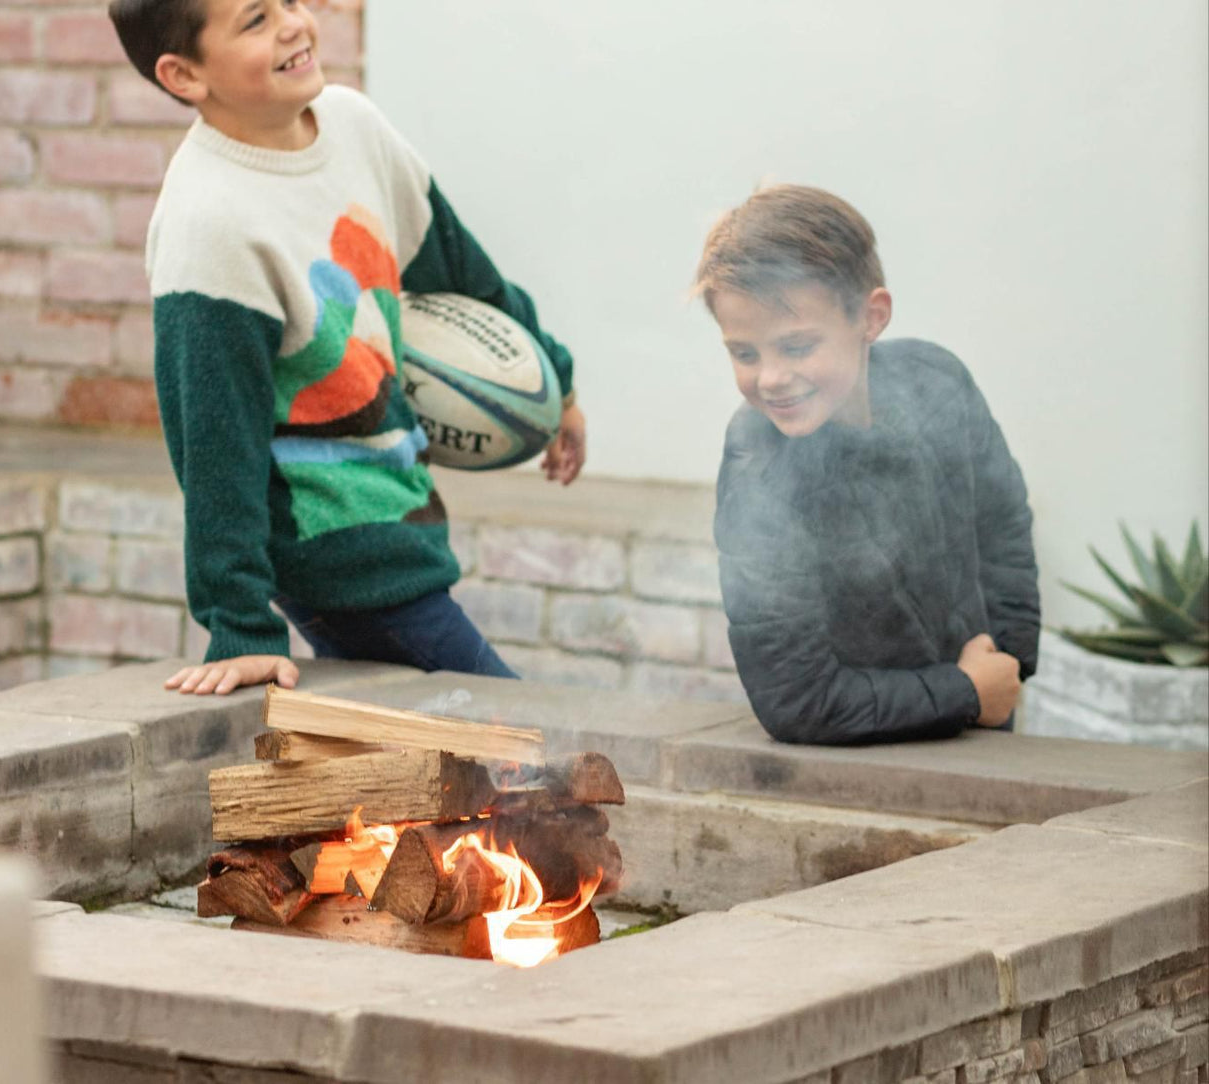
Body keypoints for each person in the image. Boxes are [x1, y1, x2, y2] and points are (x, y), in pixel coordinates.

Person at [107, 0, 585, 695]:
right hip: (328, 551)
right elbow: (213, 449)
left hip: (403, 513)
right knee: (514, 738)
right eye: (254, 21)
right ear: (184, 75)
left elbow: (457, 266)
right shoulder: (209, 225)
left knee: (460, 755)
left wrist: (555, 384)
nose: (294, 24)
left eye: (291, 2)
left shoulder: (353, 127)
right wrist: (239, 627)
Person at [697, 184, 1038, 744]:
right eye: (745, 353)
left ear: (871, 316)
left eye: (798, 346)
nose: (772, 378)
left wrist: (1007, 666)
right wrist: (965, 692)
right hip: (855, 755)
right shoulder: (757, 461)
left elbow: (1004, 527)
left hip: (984, 716)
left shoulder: (937, 380)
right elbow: (797, 700)